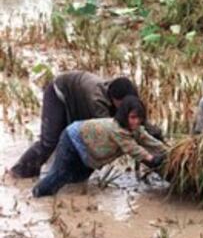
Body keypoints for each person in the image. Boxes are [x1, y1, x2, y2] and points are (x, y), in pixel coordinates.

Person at [11, 71, 162, 178]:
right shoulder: (97, 99)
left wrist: (155, 134)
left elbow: (137, 122)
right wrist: (149, 155)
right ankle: (20, 171)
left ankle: (65, 173)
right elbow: (116, 132)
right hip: (59, 93)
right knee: (50, 141)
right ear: (114, 99)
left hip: (78, 99)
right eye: (123, 105)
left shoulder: (123, 94)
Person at [32, 96, 167, 197]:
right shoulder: (118, 130)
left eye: (139, 118)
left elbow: (149, 140)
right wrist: (152, 159)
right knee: (59, 175)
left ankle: (69, 201)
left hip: (89, 150)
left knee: (78, 179)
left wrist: (168, 151)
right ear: (124, 116)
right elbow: (133, 149)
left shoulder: (136, 129)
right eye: (132, 117)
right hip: (72, 140)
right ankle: (37, 195)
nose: (136, 121)